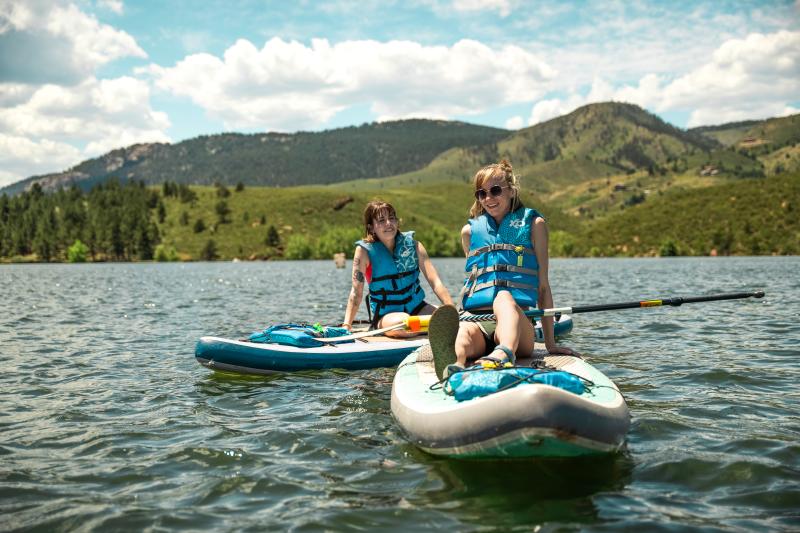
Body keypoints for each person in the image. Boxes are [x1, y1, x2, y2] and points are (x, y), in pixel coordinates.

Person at [431, 160, 577, 379]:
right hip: (479, 321)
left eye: (495, 190)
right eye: (482, 193)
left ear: (511, 190)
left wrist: (550, 344)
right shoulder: (469, 232)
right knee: (464, 334)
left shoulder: (534, 225)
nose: (488, 198)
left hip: (518, 326)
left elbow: (543, 287)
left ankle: (504, 352)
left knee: (503, 297)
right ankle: (455, 364)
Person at [342, 200, 453, 338]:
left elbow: (435, 282)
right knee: (405, 323)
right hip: (387, 316)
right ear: (371, 228)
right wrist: (346, 326)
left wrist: (451, 309)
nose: (388, 223)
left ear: (397, 222)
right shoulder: (364, 252)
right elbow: (356, 292)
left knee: (444, 318)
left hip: (417, 308)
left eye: (392, 218)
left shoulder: (414, 246)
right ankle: (425, 328)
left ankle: (427, 327)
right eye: (381, 220)